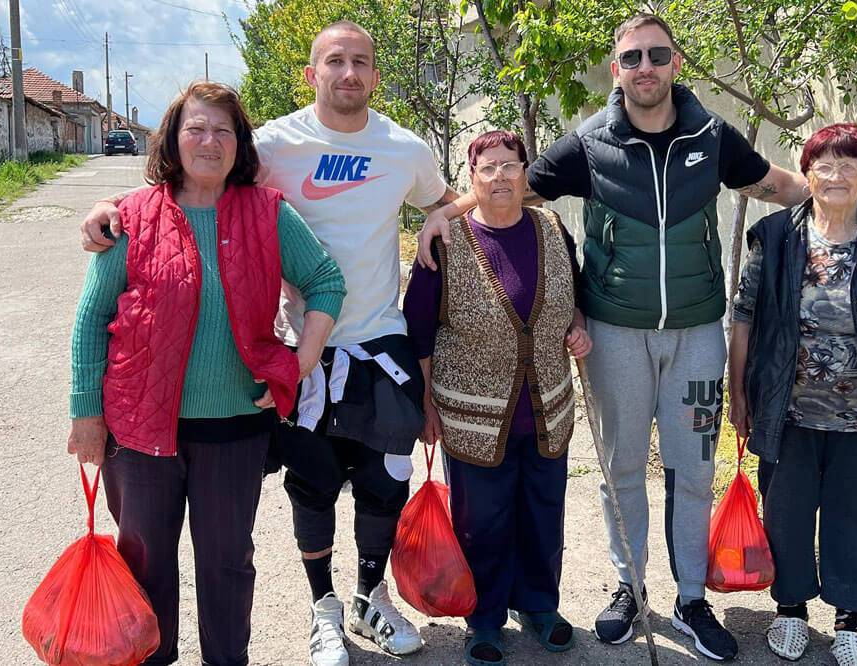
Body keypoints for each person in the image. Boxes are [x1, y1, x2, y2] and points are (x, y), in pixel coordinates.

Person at [416, 13, 857, 662]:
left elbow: (785, 186)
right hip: (615, 336)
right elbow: (511, 189)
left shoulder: (712, 136)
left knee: (693, 471)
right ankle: (629, 588)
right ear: (616, 69)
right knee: (621, 470)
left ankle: (691, 599)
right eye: (632, 57)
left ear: (676, 63)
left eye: (657, 55)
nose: (646, 67)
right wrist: (444, 214)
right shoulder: (589, 143)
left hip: (697, 338)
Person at [79, 21, 462, 666]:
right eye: (334, 61)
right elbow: (190, 186)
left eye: (360, 62)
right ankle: (323, 608)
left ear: (376, 75)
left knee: (383, 486)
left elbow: (454, 199)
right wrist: (107, 205)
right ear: (311, 74)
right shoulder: (276, 142)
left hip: (379, 340)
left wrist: (440, 216)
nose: (348, 72)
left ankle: (370, 597)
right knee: (311, 487)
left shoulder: (406, 148)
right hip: (295, 355)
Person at [67, 81, 346, 666]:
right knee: (145, 561)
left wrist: (300, 361)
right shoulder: (130, 217)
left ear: (240, 143)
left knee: (226, 562)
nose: (209, 141)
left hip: (235, 426)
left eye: (224, 130)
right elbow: (92, 318)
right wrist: (86, 414)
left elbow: (325, 281)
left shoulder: (267, 212)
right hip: (139, 430)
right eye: (196, 128)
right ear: (172, 138)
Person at [727, 123, 857, 666]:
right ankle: (790, 611)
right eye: (825, 165)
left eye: (849, 164)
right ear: (807, 173)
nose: (836, 175)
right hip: (786, 409)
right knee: (786, 513)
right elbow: (743, 316)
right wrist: (738, 394)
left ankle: (850, 621)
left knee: (856, 517)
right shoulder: (775, 236)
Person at [403, 130, 591, 666]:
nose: (500, 176)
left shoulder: (552, 228)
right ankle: (483, 618)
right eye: (488, 168)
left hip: (548, 407)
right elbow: (419, 328)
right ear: (471, 177)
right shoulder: (445, 241)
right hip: (472, 415)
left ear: (525, 172)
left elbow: (574, 296)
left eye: (510, 165)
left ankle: (539, 605)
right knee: (481, 521)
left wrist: (577, 327)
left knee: (543, 512)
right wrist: (426, 403)